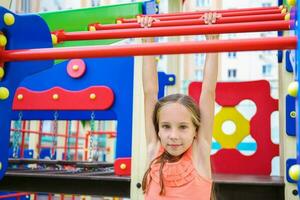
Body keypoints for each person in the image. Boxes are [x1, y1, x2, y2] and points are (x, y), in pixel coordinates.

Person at [139, 12, 220, 200]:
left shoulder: (200, 152)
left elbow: (208, 91)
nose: (173, 136)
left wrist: (212, 42)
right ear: (157, 130)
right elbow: (149, 91)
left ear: (195, 130)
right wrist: (148, 40)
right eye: (166, 126)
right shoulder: (154, 149)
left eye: (183, 127)